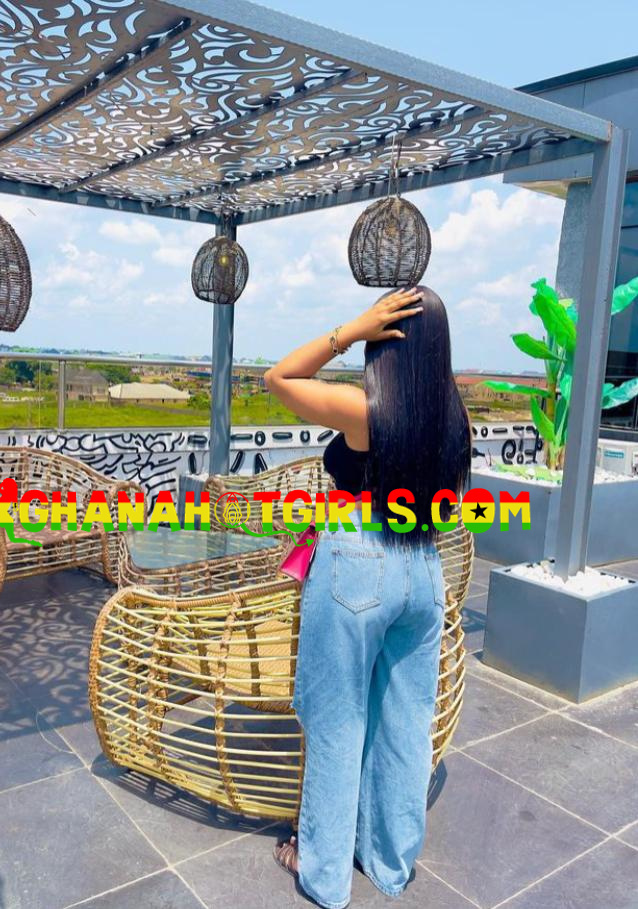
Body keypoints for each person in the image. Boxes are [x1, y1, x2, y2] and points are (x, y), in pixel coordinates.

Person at [264, 286, 471, 908]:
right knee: (406, 723)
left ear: (387, 343)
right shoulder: (454, 419)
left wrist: (350, 330)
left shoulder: (365, 410)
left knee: (338, 717)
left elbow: (279, 378)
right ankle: (390, 864)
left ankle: (324, 874)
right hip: (424, 568)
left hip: (359, 562)